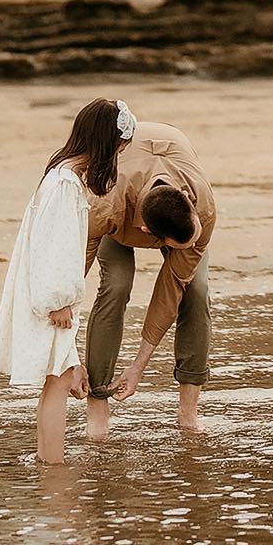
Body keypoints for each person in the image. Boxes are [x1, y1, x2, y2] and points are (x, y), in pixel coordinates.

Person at [0, 96, 125, 463]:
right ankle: (52, 464)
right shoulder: (64, 184)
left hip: (50, 294)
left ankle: (50, 461)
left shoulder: (62, 176)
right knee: (57, 382)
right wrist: (58, 299)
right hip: (50, 297)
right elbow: (55, 245)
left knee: (61, 378)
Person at [83, 113, 215, 438]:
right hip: (121, 196)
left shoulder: (203, 210)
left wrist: (138, 366)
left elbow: (171, 290)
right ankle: (98, 404)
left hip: (167, 156)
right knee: (116, 284)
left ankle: (188, 413)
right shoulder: (105, 205)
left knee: (195, 291)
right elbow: (75, 267)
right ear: (148, 233)